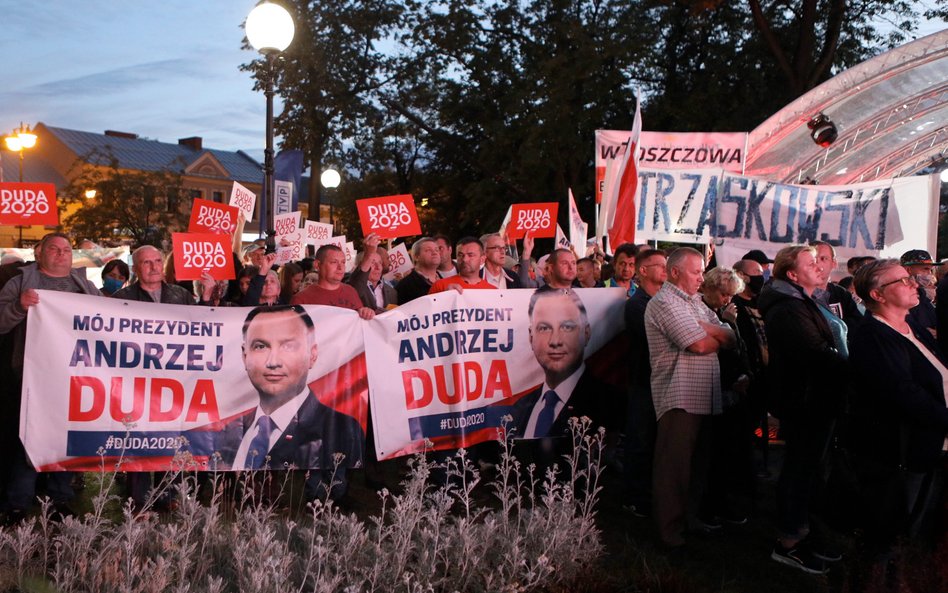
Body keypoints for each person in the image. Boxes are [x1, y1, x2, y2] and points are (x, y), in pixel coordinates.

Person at [848, 260, 948, 570]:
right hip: (900, 450)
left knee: (923, 525)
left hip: (931, 442)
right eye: (902, 281)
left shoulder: (912, 326)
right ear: (877, 294)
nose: (914, 284)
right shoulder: (873, 335)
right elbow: (902, 392)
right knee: (892, 531)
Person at [758, 245, 848, 574]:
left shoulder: (803, 301)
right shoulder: (787, 307)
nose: (820, 267)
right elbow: (814, 353)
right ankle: (788, 543)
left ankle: (801, 532)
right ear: (792, 275)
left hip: (816, 399)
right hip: (806, 402)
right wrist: (855, 368)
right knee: (799, 469)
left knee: (809, 469)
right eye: (811, 263)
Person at [0, 233, 101, 523]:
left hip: (74, 377)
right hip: (31, 376)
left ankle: (60, 499)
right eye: (54, 249)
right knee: (29, 438)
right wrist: (18, 307)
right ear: (40, 253)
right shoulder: (19, 282)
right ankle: (17, 503)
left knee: (66, 439)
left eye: (66, 250)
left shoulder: (86, 286)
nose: (61, 254)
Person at [645, 247, 736, 549]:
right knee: (674, 468)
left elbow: (731, 337)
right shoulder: (665, 303)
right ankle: (669, 535)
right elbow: (697, 345)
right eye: (696, 272)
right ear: (674, 273)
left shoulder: (696, 303)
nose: (701, 278)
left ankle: (690, 522)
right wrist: (716, 336)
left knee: (698, 466)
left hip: (705, 396)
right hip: (679, 396)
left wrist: (712, 330)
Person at [216, 306, 364, 479]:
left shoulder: (341, 428)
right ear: (244, 355)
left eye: (288, 346)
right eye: (261, 346)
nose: (273, 362)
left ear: (312, 354)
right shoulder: (229, 430)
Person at [511, 289, 617, 439]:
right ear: (530, 337)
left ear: (586, 333)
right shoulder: (518, 408)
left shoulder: (610, 403)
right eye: (544, 328)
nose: (555, 341)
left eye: (567, 327)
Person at [622, 248, 667, 518]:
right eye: (659, 265)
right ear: (643, 271)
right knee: (640, 439)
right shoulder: (637, 305)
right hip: (643, 380)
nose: (665, 269)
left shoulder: (662, 301)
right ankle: (634, 497)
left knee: (655, 441)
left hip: (661, 380)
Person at [292, 245, 375, 320]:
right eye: (334, 262)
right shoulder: (301, 299)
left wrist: (366, 312)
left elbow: (361, 323)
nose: (340, 267)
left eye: (343, 262)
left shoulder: (351, 291)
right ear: (317, 265)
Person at [113, 246, 197, 304]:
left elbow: (200, 323)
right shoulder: (121, 298)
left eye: (158, 261)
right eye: (146, 262)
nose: (154, 267)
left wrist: (206, 297)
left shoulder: (182, 295)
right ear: (134, 269)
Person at [348, 233, 397, 312]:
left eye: (380, 263)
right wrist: (369, 255)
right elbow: (356, 288)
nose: (378, 268)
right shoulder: (351, 287)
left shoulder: (392, 292)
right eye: (373, 263)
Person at [429, 237, 495, 294]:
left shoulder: (493, 292)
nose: (465, 259)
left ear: (482, 259)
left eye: (470, 255)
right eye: (460, 255)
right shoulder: (440, 286)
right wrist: (445, 296)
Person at [900, 249, 939, 338]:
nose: (929, 274)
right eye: (925, 269)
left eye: (930, 270)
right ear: (908, 269)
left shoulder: (922, 294)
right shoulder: (899, 296)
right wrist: (922, 332)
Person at [396, 237, 440, 304]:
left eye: (437, 250)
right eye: (428, 250)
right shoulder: (405, 286)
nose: (434, 253)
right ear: (416, 257)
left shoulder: (445, 281)